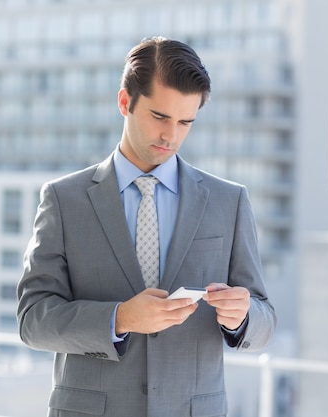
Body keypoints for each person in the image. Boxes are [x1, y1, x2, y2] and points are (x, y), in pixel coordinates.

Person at [17, 36, 277, 417]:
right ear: (125, 102)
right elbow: (33, 319)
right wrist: (119, 318)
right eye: (159, 117)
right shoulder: (63, 199)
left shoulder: (229, 201)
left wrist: (243, 317)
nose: (171, 135)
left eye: (185, 121)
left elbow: (265, 319)